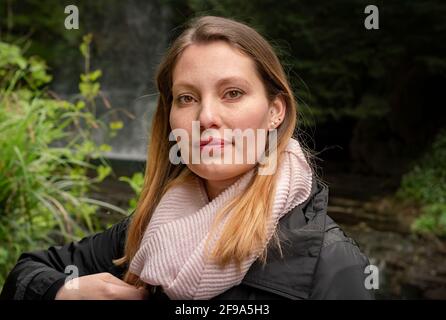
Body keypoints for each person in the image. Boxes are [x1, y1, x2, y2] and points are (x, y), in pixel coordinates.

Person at [0, 15, 374, 300]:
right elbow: (26, 271)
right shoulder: (150, 230)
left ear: (275, 110)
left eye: (232, 93)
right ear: (170, 118)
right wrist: (64, 292)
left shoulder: (330, 262)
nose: (206, 117)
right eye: (187, 98)